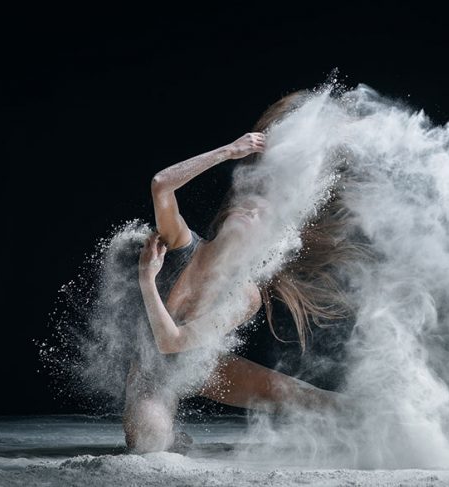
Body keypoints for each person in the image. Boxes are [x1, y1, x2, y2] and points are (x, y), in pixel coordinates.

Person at [123, 91, 366, 453]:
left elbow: (174, 341)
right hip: (153, 376)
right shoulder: (183, 242)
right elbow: (161, 183)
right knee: (149, 443)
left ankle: (386, 420)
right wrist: (230, 151)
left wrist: (147, 279)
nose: (248, 209)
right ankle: (174, 437)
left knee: (303, 395)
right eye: (246, 204)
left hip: (203, 367)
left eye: (259, 214)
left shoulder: (246, 294)